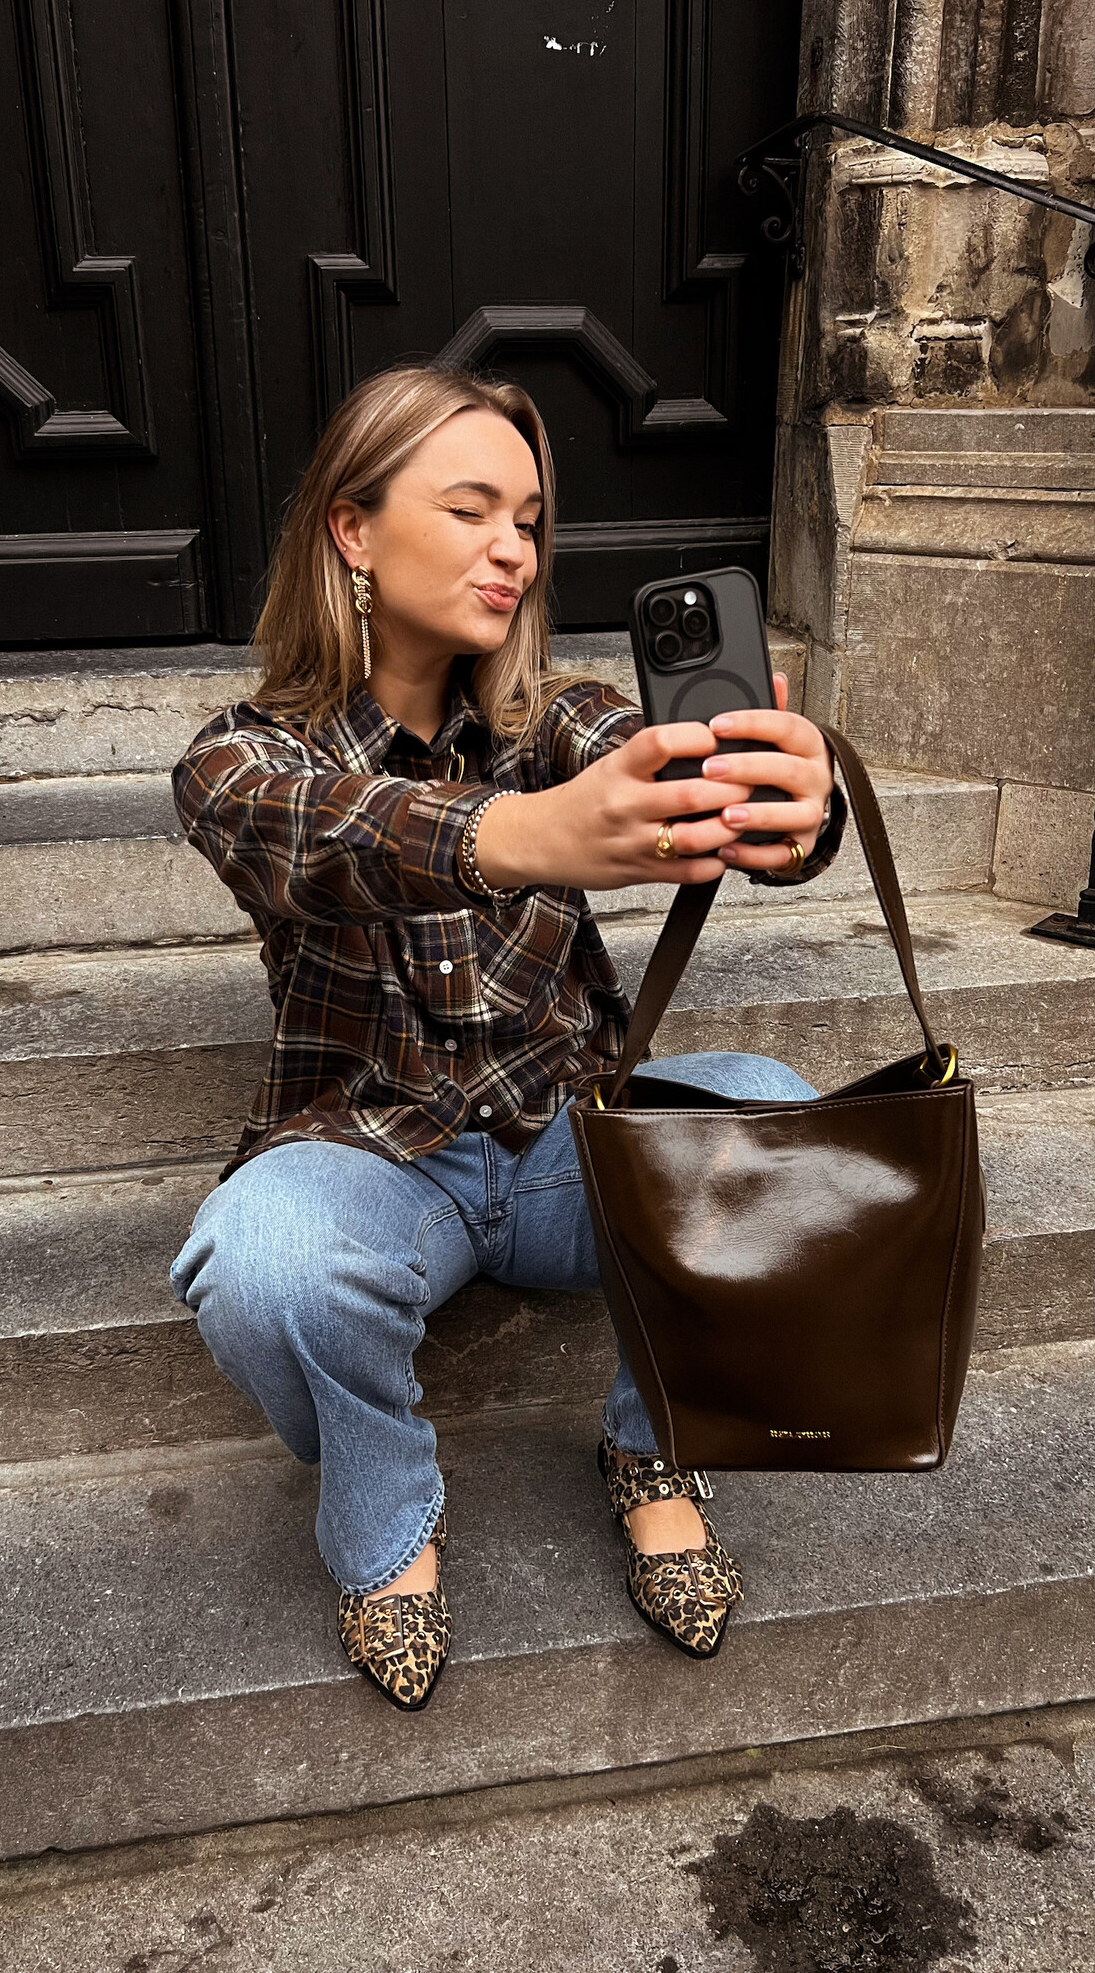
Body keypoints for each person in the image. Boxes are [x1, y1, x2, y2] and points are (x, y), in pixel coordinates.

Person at [170, 364, 843, 1712]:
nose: (513, 552)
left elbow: (657, 766)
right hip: (378, 1162)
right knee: (262, 1261)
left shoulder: (556, 722)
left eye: (528, 521)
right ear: (352, 531)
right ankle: (385, 1509)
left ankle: (651, 1446)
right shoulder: (241, 760)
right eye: (471, 509)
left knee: (783, 1120)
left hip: (565, 1148)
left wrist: (792, 803)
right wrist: (521, 836)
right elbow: (329, 838)